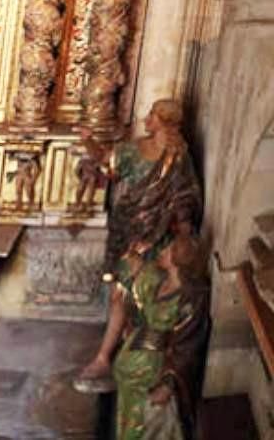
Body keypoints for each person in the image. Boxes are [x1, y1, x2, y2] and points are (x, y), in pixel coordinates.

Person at [75, 99, 202, 389]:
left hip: (159, 238)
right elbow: (108, 163)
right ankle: (107, 355)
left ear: (164, 121)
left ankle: (125, 358)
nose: (146, 119)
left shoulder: (178, 156)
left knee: (145, 295)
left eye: (152, 115)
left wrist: (182, 228)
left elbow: (186, 195)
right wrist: (89, 141)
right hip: (128, 230)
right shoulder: (135, 149)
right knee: (119, 293)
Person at [111, 233, 209, 439]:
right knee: (128, 421)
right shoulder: (158, 278)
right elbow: (134, 270)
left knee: (149, 425)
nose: (162, 251)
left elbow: (189, 346)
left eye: (168, 248)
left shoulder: (191, 297)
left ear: (176, 258)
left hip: (153, 371)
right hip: (131, 366)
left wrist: (168, 384)